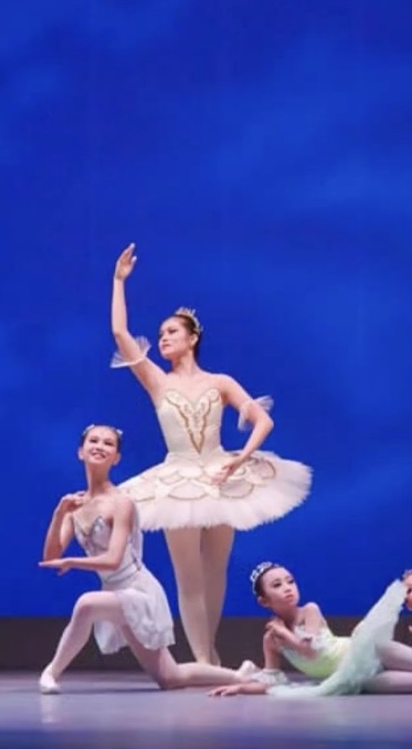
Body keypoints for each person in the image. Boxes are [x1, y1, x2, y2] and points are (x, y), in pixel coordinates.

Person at [108, 243, 311, 665]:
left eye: (171, 332)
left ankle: (208, 652)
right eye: (161, 334)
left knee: (215, 570)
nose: (163, 338)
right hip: (176, 480)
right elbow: (121, 335)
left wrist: (241, 458)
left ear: (193, 338)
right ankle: (204, 659)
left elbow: (262, 420)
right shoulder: (157, 381)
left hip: (221, 474)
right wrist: (118, 282)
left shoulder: (220, 381)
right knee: (189, 575)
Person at [38, 424, 260, 693]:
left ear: (116, 458)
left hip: (137, 591)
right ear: (80, 452)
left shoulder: (121, 502)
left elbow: (113, 559)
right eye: (93, 441)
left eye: (108, 443)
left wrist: (72, 562)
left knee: (86, 605)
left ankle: (51, 672)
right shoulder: (74, 505)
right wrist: (59, 514)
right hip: (114, 592)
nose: (99, 446)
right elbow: (50, 556)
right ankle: (240, 675)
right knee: (170, 677)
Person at [209, 562, 412, 697]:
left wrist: (285, 635)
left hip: (364, 650)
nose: (287, 589)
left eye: (290, 581)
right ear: (264, 600)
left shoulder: (309, 611)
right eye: (277, 586)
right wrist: (241, 688)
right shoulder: (271, 639)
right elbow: (273, 678)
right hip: (350, 676)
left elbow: (308, 650)